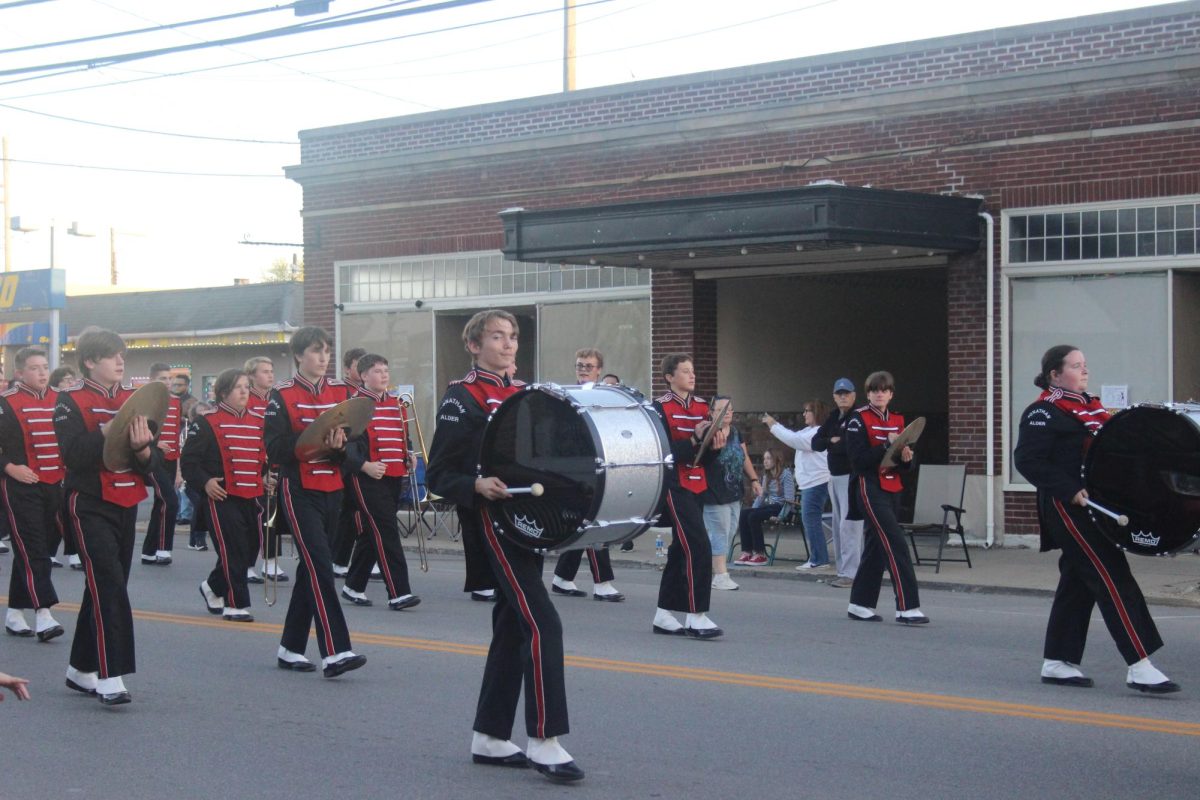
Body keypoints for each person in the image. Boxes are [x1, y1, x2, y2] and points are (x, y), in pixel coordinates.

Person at [427, 309, 584, 783]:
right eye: (496, 336)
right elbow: (439, 474)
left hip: (529, 522)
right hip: (493, 522)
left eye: (512, 336)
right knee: (543, 623)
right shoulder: (463, 397)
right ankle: (544, 739)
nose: (508, 344)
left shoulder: (527, 394)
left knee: (514, 627)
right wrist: (476, 486)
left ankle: (491, 736)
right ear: (474, 346)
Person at [1014, 345, 1178, 693]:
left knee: (1078, 580)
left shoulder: (1091, 407)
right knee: (1111, 575)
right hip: (1069, 507)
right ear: (1055, 375)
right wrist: (1069, 489)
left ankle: (1059, 661)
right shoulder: (1042, 412)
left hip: (1098, 506)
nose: (1084, 370)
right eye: (1076, 366)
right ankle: (1139, 663)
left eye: (1085, 365)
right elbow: (1028, 461)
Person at [55, 327, 161, 705]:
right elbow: (73, 455)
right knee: (110, 585)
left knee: (103, 587)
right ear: (89, 361)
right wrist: (107, 428)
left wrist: (143, 449)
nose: (120, 361)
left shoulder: (137, 399)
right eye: (111, 355)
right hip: (88, 502)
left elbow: (153, 461)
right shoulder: (69, 401)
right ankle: (109, 674)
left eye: (122, 354)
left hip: (126, 501)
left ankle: (79, 669)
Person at [264, 327, 365, 678]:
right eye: (315, 351)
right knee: (321, 565)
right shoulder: (281, 394)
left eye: (326, 351)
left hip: (333, 488)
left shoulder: (342, 391)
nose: (323, 358)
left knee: (312, 568)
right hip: (299, 488)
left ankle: (290, 647)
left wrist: (340, 449)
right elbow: (275, 449)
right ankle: (335, 650)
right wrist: (315, 440)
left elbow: (356, 449)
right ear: (298, 355)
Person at [843, 371, 927, 625]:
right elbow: (857, 461)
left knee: (877, 547)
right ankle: (907, 607)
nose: (879, 394)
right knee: (895, 542)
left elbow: (904, 465)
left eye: (884, 390)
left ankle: (860, 603)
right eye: (874, 390)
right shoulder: (858, 419)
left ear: (891, 394)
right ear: (868, 393)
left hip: (892, 487)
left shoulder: (899, 420)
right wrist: (884, 446)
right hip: (868, 486)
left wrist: (906, 460)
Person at [182, 369, 266, 623]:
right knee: (233, 549)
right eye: (238, 387)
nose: (244, 392)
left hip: (251, 495)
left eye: (246, 387)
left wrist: (265, 476)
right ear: (222, 393)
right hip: (221, 497)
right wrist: (205, 482)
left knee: (251, 549)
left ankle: (212, 587)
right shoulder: (206, 422)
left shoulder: (259, 421)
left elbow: (260, 459)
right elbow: (188, 462)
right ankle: (235, 603)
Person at [340, 353, 420, 611]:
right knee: (386, 531)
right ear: (363, 376)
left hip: (395, 476)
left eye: (386, 370)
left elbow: (402, 436)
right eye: (377, 371)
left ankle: (353, 585)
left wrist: (409, 455)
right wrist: (364, 465)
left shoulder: (398, 403)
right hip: (367, 477)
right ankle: (399, 592)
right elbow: (344, 446)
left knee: (371, 531)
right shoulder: (354, 406)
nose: (384, 375)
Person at [652, 354, 724, 638]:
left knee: (681, 549)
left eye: (693, 371)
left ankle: (663, 614)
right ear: (670, 377)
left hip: (698, 484)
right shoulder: (658, 408)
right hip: (674, 484)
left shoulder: (704, 407)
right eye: (685, 371)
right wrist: (693, 439)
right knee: (698, 546)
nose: (692, 376)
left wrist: (714, 445)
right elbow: (662, 453)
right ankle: (697, 615)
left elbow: (706, 457)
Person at [1, 347, 66, 642]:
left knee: (37, 550)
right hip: (20, 485)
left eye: (44, 366)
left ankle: (15, 612)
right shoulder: (6, 403)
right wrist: (9, 468)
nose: (41, 373)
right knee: (34, 549)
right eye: (34, 368)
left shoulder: (61, 401)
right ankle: (44, 614)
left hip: (55, 485)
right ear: (19, 373)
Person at [550, 348, 623, 602]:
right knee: (593, 522)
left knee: (584, 522)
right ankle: (602, 583)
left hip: (598, 463)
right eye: (580, 365)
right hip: (575, 465)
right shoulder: (566, 394)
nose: (583, 369)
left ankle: (562, 577)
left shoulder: (604, 395)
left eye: (589, 366)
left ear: (599, 369)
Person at [764, 401, 832, 571]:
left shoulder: (817, 432)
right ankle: (817, 557)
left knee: (811, 520)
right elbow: (794, 436)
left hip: (817, 482)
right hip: (810, 482)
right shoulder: (808, 431)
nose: (804, 414)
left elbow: (794, 440)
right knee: (810, 520)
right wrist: (776, 426)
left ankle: (819, 559)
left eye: (807, 411)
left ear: (817, 413)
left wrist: (774, 426)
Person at [701, 395, 758, 591]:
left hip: (734, 491)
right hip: (713, 492)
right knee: (719, 532)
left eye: (730, 409)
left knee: (730, 532)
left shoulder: (734, 432)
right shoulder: (708, 432)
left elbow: (744, 457)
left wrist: (754, 479)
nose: (727, 413)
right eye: (722, 409)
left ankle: (701, 565)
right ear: (712, 412)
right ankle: (721, 575)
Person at [812, 378, 865, 588]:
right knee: (838, 526)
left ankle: (852, 573)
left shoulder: (857, 417)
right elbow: (816, 443)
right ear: (834, 396)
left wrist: (834, 442)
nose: (843, 396)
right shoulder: (833, 417)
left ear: (854, 395)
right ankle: (843, 571)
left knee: (850, 525)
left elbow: (849, 446)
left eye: (847, 393)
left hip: (851, 476)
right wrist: (830, 441)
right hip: (834, 477)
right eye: (839, 393)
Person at [245, 356, 287, 584]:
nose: (270, 375)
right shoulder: (246, 400)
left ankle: (270, 562)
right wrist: (258, 471)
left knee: (272, 514)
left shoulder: (276, 399)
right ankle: (247, 564)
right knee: (253, 516)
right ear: (252, 375)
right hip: (253, 463)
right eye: (264, 371)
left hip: (274, 460)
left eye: (271, 371)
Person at [139, 363, 182, 567]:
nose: (167, 382)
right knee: (170, 501)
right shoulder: (146, 400)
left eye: (169, 378)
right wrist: (154, 443)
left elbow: (176, 436)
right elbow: (136, 429)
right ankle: (164, 548)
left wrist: (179, 470)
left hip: (171, 461)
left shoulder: (176, 401)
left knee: (161, 503)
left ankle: (149, 551)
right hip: (153, 457)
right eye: (162, 379)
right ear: (152, 380)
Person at [331, 347, 369, 578]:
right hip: (348, 459)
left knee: (366, 513)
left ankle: (366, 558)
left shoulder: (370, 392)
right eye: (358, 365)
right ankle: (340, 558)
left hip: (370, 458)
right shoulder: (343, 391)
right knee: (349, 512)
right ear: (347, 368)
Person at [733, 448, 794, 566]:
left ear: (777, 460)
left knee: (754, 516)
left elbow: (789, 500)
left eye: (769, 458)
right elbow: (761, 497)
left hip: (782, 508)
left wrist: (781, 517)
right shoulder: (767, 476)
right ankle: (747, 551)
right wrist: (754, 509)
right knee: (745, 513)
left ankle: (760, 554)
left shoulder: (786, 475)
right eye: (764, 459)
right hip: (770, 506)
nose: (765, 461)